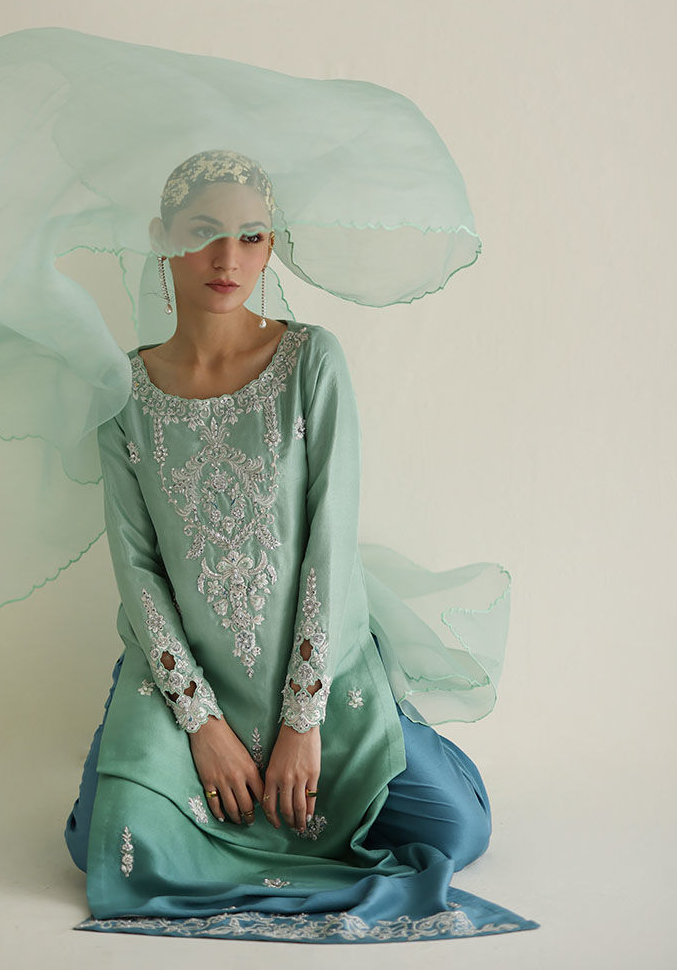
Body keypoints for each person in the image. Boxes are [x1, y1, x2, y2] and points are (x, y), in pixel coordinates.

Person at [62, 150, 532, 943]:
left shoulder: (311, 359)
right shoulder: (124, 391)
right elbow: (137, 567)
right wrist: (201, 723)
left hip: (315, 665)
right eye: (204, 232)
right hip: (188, 676)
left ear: (270, 248)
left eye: (251, 236)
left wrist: (302, 719)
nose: (227, 258)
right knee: (101, 849)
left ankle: (395, 734)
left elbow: (329, 541)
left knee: (458, 830)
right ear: (162, 236)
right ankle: (173, 766)